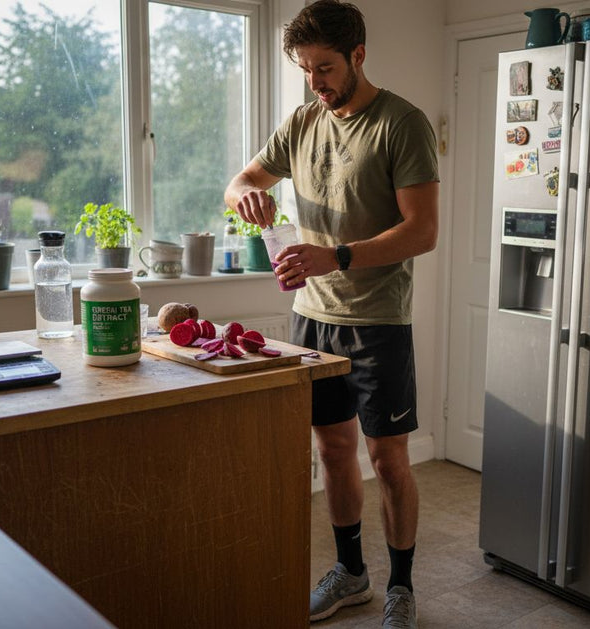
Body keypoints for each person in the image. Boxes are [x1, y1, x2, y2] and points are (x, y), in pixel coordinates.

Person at [223, 1, 438, 627]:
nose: (315, 82)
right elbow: (239, 181)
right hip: (312, 318)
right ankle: (352, 574)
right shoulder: (301, 122)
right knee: (334, 452)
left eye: (325, 67)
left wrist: (336, 256)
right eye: (305, 69)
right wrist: (247, 197)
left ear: (358, 56)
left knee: (388, 460)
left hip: (378, 320)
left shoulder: (402, 123)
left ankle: (401, 586)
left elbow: (422, 232)